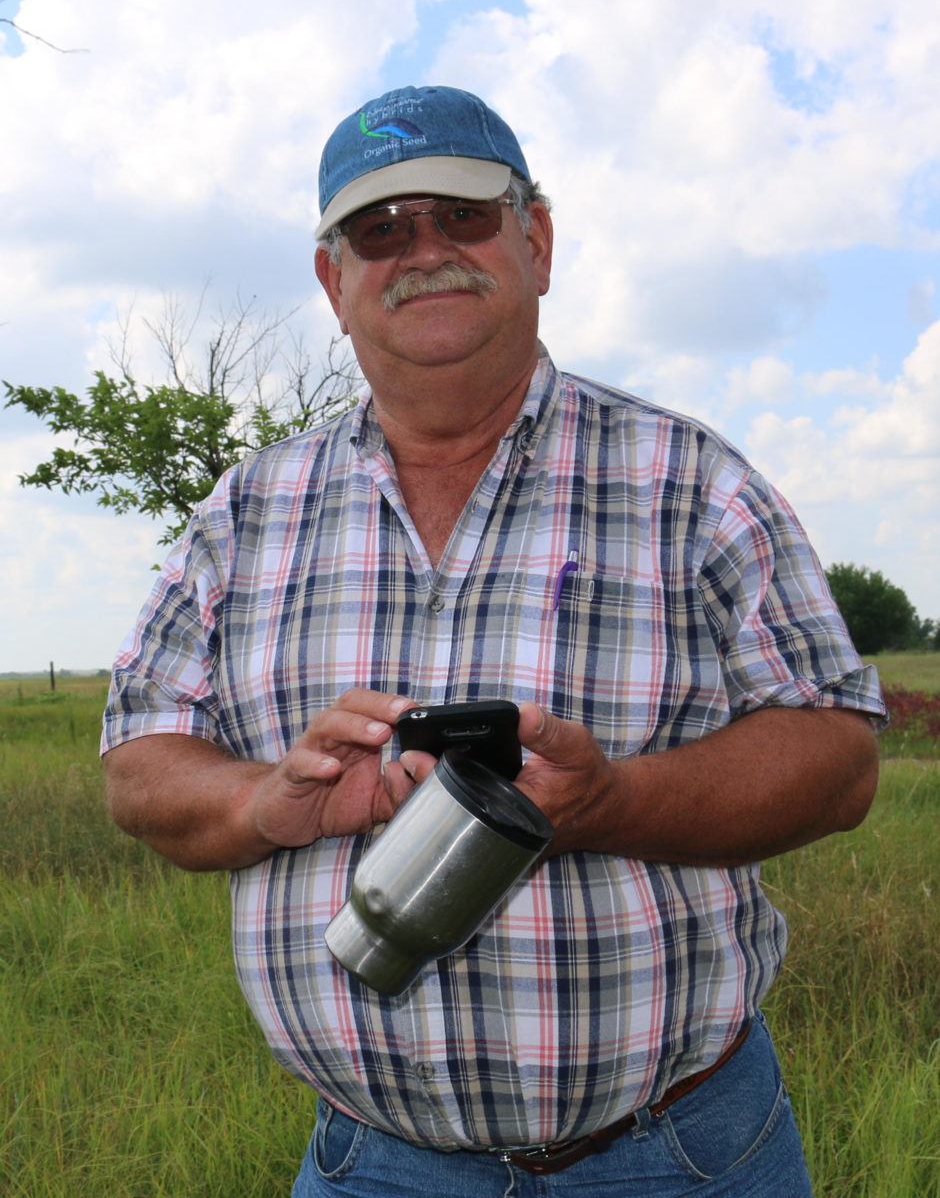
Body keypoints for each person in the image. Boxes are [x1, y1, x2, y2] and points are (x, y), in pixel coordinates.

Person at [102, 85, 885, 1197]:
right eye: (379, 230)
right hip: (370, 1165)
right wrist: (261, 802)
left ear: (538, 239)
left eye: (462, 215)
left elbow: (839, 759)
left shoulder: (692, 482)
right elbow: (138, 761)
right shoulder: (246, 512)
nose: (422, 251)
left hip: (678, 1158)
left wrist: (610, 802)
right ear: (334, 281)